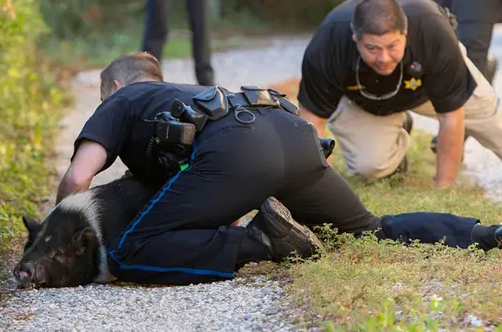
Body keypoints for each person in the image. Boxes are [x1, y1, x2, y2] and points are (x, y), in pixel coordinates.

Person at [57, 51, 502, 286]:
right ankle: (484, 234)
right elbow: (209, 198)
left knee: (129, 253)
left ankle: (264, 240)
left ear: (113, 86)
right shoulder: (188, 91)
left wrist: (58, 229)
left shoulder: (120, 100)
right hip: (291, 134)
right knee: (370, 227)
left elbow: (80, 176)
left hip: (239, 154)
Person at [296, 0, 502, 186]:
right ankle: (398, 130)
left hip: (430, 85)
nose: (383, 58)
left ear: (406, 33)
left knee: (496, 128)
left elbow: (451, 116)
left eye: (392, 46)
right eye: (372, 48)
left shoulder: (434, 32)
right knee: (370, 166)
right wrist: (324, 189)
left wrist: (444, 187)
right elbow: (312, 123)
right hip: (366, 100)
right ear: (355, 39)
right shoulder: (328, 44)